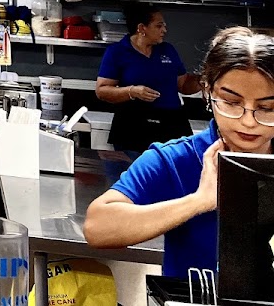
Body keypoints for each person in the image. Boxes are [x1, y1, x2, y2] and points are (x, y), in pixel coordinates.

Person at [84, 26, 274, 278]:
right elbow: (97, 227)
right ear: (208, 92)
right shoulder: (175, 160)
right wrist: (199, 201)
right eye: (231, 102)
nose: (248, 121)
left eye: (267, 108)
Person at [95, 6, 200, 159]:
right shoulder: (117, 52)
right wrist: (132, 91)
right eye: (159, 26)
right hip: (133, 125)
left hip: (172, 124)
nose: (164, 30)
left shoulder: (168, 50)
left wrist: (202, 80)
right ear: (141, 28)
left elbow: (183, 85)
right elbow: (102, 90)